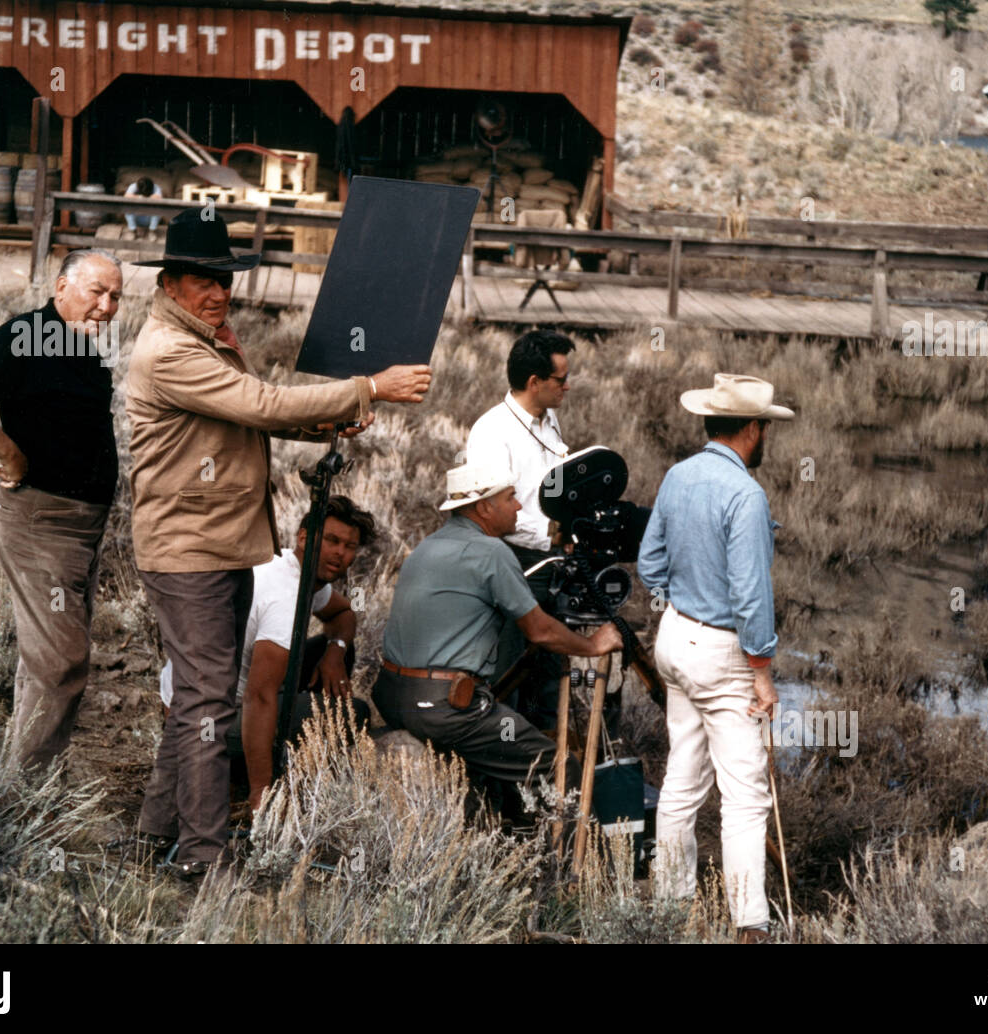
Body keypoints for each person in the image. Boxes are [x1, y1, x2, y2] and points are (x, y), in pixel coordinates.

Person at [125, 207, 430, 878]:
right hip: (191, 553)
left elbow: (243, 419)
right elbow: (260, 404)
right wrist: (366, 389)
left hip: (219, 547)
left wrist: (329, 423)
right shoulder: (172, 349)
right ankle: (204, 858)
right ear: (169, 282)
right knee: (207, 702)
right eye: (203, 280)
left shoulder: (198, 337)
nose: (218, 292)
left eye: (224, 279)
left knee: (196, 700)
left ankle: (156, 834)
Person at [0, 249, 124, 771]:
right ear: (61, 288)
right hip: (42, 521)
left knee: (46, 657)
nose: (106, 306)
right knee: (61, 662)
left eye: (116, 297)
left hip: (77, 524)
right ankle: (28, 801)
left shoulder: (78, 344)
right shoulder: (28, 336)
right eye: (95, 292)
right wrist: (6, 451)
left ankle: (22, 779)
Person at [371, 462, 622, 822]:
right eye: (510, 498)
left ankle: (503, 834)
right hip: (445, 710)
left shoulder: (426, 547)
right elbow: (540, 631)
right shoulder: (491, 552)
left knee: (493, 760)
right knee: (558, 766)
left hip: (394, 695)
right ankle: (582, 872)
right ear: (484, 507)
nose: (519, 506)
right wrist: (593, 645)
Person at [637, 373, 794, 944]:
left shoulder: (679, 474)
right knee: (746, 795)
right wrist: (762, 674)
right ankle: (750, 924)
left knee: (682, 774)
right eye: (766, 426)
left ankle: (669, 904)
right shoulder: (745, 495)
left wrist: (683, 597)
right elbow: (752, 596)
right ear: (752, 429)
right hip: (722, 652)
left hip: (675, 638)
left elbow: (650, 564)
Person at [157, 495, 377, 814]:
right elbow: (259, 697)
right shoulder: (284, 598)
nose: (340, 553)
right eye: (331, 540)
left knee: (340, 649)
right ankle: (246, 774)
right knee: (353, 713)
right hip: (204, 722)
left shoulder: (292, 568)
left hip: (199, 698)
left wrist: (335, 651)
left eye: (350, 546)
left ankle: (270, 758)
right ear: (305, 537)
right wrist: (262, 790)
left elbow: (344, 612)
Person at [464, 330, 574, 730]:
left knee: (549, 668)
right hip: (510, 561)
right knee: (509, 671)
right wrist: (553, 533)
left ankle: (546, 762)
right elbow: (490, 511)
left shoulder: (550, 421)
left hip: (551, 562)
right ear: (534, 383)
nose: (567, 385)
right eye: (560, 379)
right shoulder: (492, 433)